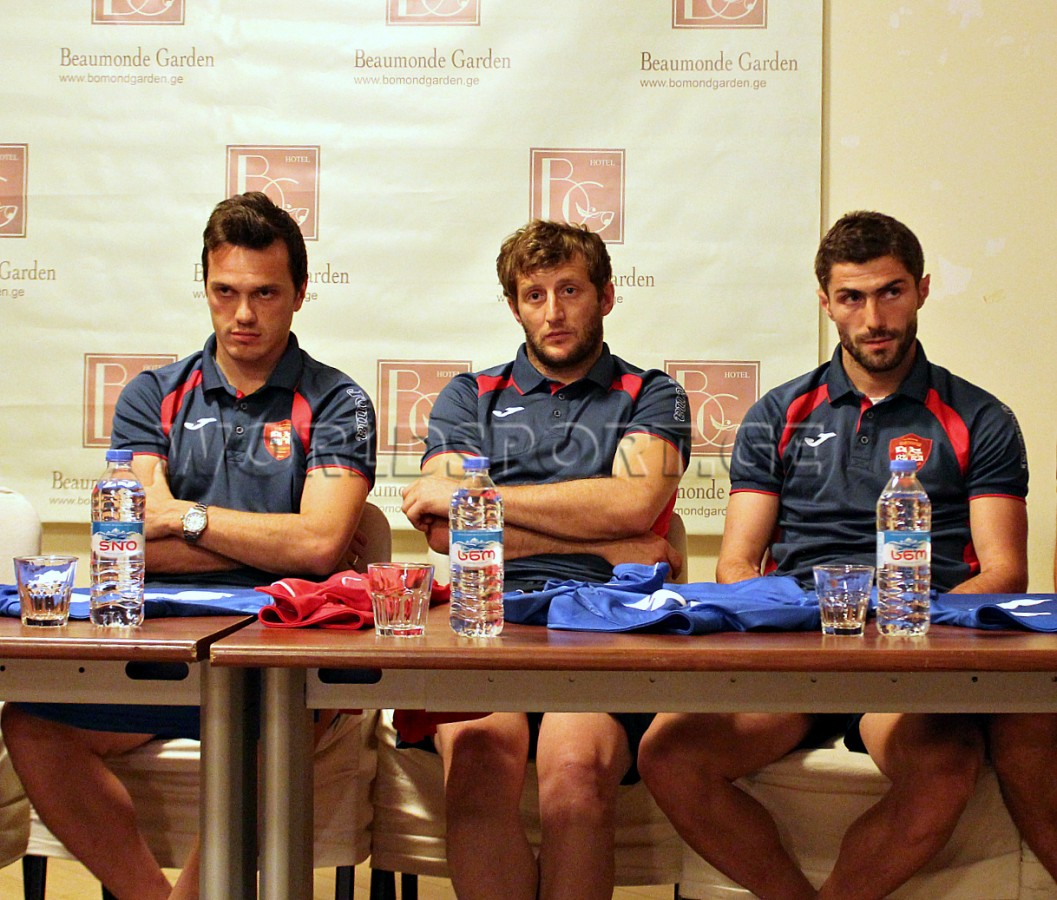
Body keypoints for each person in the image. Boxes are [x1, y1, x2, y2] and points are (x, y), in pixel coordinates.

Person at [638, 210, 1038, 899]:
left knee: (944, 766)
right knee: (666, 753)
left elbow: (1003, 573)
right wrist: (798, 625)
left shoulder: (980, 416)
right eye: (852, 297)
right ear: (825, 302)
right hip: (797, 650)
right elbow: (736, 564)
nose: (873, 318)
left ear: (921, 290)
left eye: (890, 292)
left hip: (914, 654)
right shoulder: (776, 413)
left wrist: (903, 626)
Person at [2, 191, 377, 900]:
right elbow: (130, 544)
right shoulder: (153, 394)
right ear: (204, 286)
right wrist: (271, 537)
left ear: (300, 292)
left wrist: (187, 517)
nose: (243, 314)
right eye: (225, 291)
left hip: (282, 658)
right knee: (31, 726)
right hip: (164, 649)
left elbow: (320, 546)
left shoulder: (338, 401)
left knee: (273, 726)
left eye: (265, 293)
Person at [401, 219, 691, 900]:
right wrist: (602, 541)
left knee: (574, 776)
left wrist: (488, 505)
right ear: (514, 307)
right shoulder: (468, 395)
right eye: (535, 295)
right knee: (477, 768)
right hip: (485, 618)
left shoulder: (653, 393)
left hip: (606, 624)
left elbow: (635, 503)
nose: (553, 312)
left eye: (570, 290)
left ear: (606, 296)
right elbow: (444, 530)